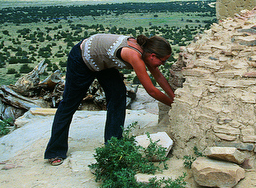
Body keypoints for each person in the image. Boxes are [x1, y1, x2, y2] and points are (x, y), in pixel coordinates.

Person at [44, 33, 175, 166]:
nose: (163, 64)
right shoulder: (134, 55)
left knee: (118, 94)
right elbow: (151, 90)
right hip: (82, 58)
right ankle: (55, 151)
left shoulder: (147, 53)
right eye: (162, 60)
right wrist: (173, 105)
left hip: (103, 63)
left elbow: (159, 78)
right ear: (153, 56)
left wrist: (175, 99)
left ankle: (113, 143)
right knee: (69, 103)